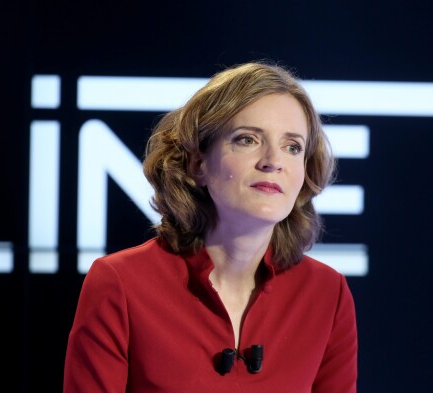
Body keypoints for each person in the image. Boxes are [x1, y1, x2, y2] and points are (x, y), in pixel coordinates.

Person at [63, 62, 358, 393]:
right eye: (248, 139)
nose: (273, 160)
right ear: (198, 163)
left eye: (293, 147)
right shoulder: (121, 283)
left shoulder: (326, 294)